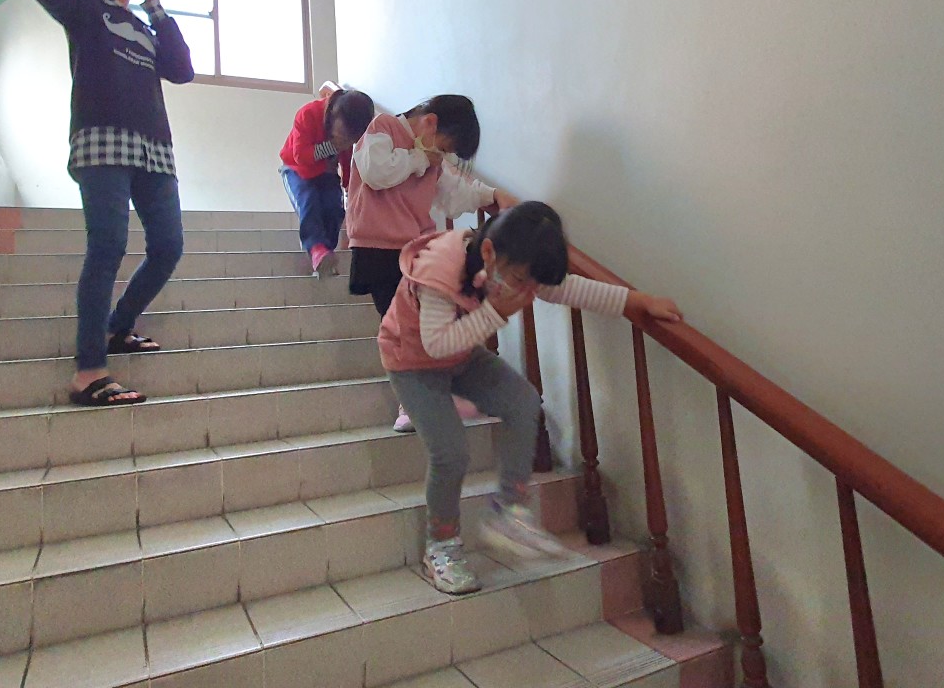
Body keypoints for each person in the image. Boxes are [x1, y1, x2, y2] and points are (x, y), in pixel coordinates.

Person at [379, 202, 682, 594]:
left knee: (523, 401)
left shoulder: (514, 264)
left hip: (461, 356)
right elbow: (436, 344)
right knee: (450, 452)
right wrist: (494, 313)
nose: (525, 290)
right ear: (488, 252)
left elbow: (573, 289)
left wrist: (638, 302)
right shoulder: (439, 269)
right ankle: (441, 545)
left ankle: (509, 511)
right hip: (412, 363)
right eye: (521, 279)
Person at [0, 0, 194, 407]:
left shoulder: (145, 27)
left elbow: (182, 69)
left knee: (168, 246)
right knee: (108, 246)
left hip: (154, 152)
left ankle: (116, 327)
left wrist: (156, 6)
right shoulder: (88, 5)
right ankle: (89, 371)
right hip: (102, 145)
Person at [345, 95, 512, 432]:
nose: (443, 156)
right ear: (430, 123)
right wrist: (420, 157)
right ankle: (412, 403)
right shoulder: (384, 128)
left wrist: (493, 196)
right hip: (378, 249)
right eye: (445, 148)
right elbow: (376, 172)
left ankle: (438, 392)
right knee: (403, 328)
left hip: (414, 252)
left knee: (435, 319)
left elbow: (456, 195)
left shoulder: (432, 161)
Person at [279, 87, 375, 277]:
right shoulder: (308, 113)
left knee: (334, 208)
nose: (345, 140)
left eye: (350, 138)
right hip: (296, 169)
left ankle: (326, 255)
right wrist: (333, 146)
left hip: (326, 173)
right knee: (309, 202)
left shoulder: (349, 132)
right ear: (334, 114)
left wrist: (348, 186)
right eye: (343, 134)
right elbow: (300, 156)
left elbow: (347, 160)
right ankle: (316, 248)